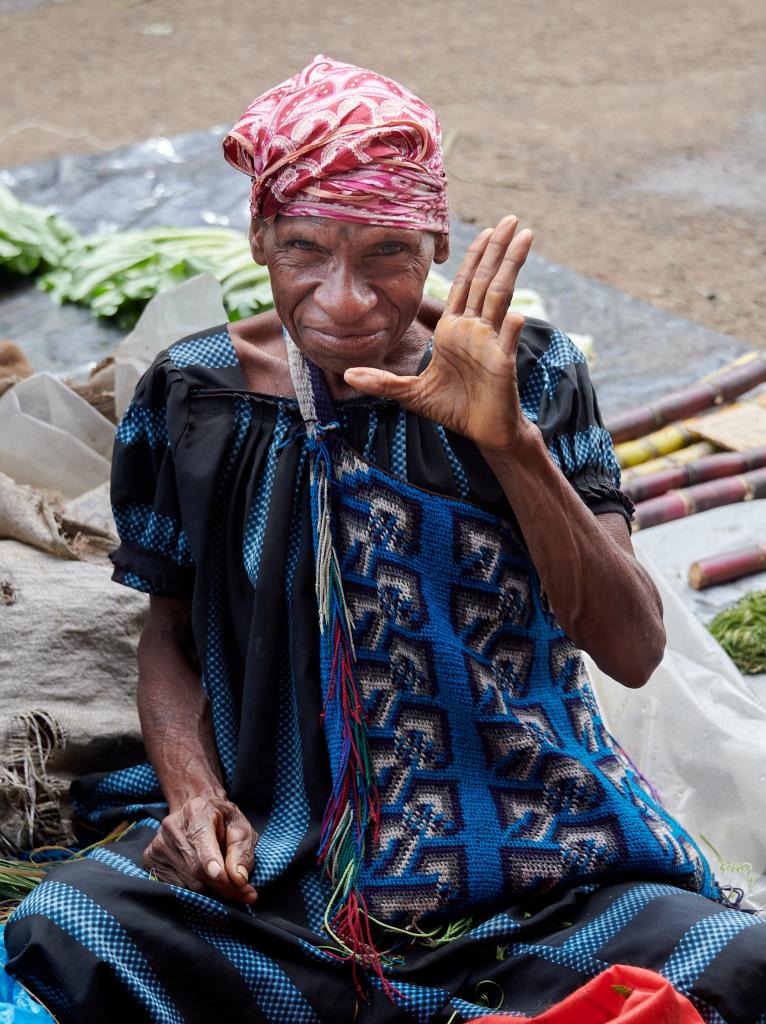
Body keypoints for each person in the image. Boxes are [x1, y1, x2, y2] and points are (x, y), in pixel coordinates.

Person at [6, 55, 766, 1024]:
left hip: (541, 851)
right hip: (292, 864)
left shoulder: (532, 376)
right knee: (71, 926)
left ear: (437, 240)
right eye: (304, 251)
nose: (345, 299)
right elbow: (169, 628)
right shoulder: (193, 397)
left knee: (739, 962)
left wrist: (511, 444)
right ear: (257, 238)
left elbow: (630, 645)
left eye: (387, 255)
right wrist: (195, 799)